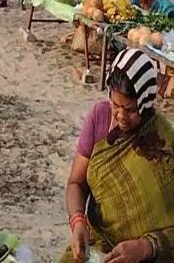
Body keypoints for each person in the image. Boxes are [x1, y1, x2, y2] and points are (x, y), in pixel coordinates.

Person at [61, 48, 174, 262]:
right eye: (115, 105)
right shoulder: (99, 117)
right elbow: (76, 183)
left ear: (146, 103)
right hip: (96, 246)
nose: (121, 116)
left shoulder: (166, 142)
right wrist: (77, 221)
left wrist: (146, 247)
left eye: (130, 109)